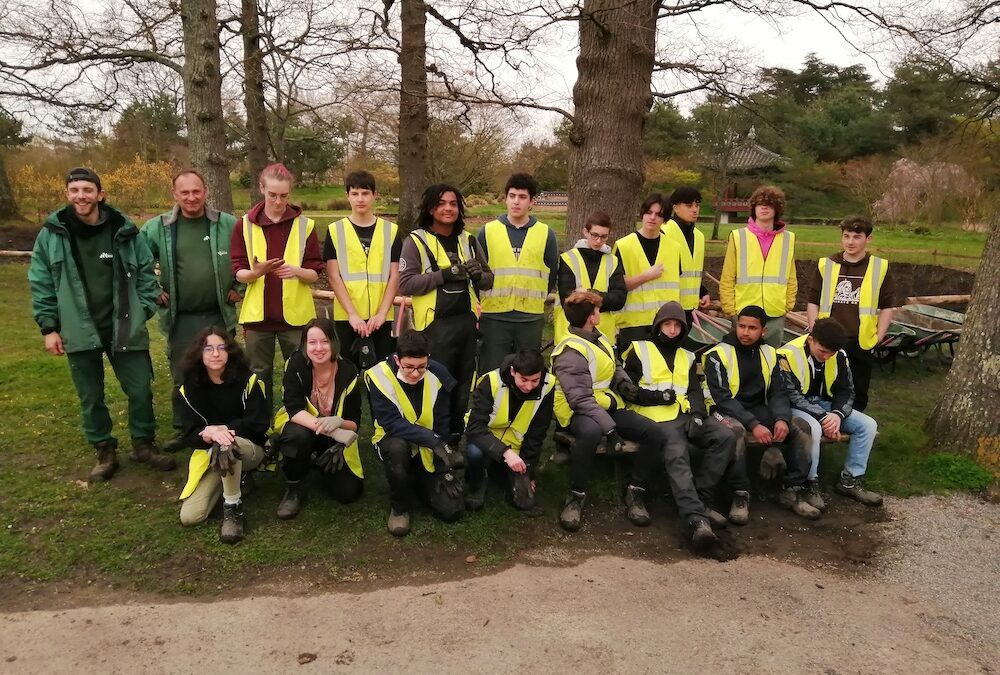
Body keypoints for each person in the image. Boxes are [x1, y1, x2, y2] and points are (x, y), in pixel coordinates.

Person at [28, 167, 176, 482]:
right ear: (68, 194)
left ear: (100, 194)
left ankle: (143, 444)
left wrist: (143, 309)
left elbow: (146, 274)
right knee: (90, 395)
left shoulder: (123, 229)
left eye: (87, 190)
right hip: (77, 327)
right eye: (75, 190)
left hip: (123, 325)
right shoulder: (52, 235)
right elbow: (41, 282)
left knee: (139, 389)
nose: (81, 196)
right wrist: (49, 327)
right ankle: (104, 448)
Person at [550, 291, 670, 537]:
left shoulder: (599, 338)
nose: (600, 314)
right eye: (597, 311)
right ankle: (575, 496)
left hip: (603, 404)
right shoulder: (570, 352)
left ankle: (636, 491)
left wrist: (625, 384)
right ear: (591, 317)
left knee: (653, 433)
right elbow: (580, 399)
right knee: (591, 433)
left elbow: (613, 365)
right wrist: (611, 430)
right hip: (576, 410)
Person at [141, 170, 243, 451]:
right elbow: (136, 260)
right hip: (181, 317)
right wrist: (152, 290)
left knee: (223, 371)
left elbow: (245, 256)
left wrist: (239, 287)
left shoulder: (227, 224)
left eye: (196, 191)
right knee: (183, 373)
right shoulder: (158, 227)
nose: (191, 197)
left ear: (205, 192)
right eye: (184, 192)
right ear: (174, 194)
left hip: (218, 315)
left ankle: (227, 424)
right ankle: (185, 428)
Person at [621, 302, 737, 533]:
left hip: (684, 415)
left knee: (726, 436)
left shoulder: (687, 356)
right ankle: (696, 519)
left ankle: (700, 500)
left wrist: (697, 415)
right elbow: (628, 390)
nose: (672, 330)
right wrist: (659, 397)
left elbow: (694, 390)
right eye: (667, 324)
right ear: (658, 326)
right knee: (678, 453)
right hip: (654, 419)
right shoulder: (639, 349)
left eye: (677, 326)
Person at [702, 305, 819, 520]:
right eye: (742, 326)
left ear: (763, 331)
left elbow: (779, 392)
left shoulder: (770, 354)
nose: (745, 332)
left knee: (802, 427)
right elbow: (723, 399)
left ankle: (792, 490)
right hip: (723, 412)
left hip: (758, 410)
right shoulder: (717, 355)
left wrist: (782, 419)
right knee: (735, 432)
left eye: (752, 328)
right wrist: (754, 425)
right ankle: (740, 493)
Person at [398, 184, 494, 441]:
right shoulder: (416, 241)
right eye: (441, 203)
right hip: (433, 328)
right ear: (430, 208)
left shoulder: (468, 240)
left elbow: (488, 280)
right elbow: (405, 284)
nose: (448, 208)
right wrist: (443, 275)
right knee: (437, 383)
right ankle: (432, 436)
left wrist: (478, 273)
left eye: (453, 204)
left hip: (465, 324)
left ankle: (453, 435)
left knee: (463, 384)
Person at [230, 163, 323, 407]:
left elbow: (315, 273)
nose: (278, 201)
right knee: (258, 375)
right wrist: (255, 273)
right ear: (261, 189)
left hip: (296, 317)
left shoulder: (305, 225)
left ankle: (299, 423)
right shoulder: (244, 225)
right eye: (272, 195)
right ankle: (260, 425)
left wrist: (296, 271)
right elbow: (238, 271)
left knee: (300, 372)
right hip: (257, 317)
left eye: (283, 195)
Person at [366, 329, 463, 537]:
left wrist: (443, 469)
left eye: (422, 367)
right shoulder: (378, 376)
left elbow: (443, 421)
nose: (416, 373)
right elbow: (391, 423)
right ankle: (399, 507)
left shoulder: (438, 374)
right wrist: (434, 441)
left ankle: (421, 480)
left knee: (452, 511)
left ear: (428, 359)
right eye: (409, 367)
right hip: (394, 439)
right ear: (397, 359)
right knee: (397, 448)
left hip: (428, 446)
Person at [176, 327, 269, 543]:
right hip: (211, 455)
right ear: (199, 353)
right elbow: (188, 434)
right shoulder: (189, 387)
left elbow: (258, 424)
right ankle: (236, 478)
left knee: (228, 445)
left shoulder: (248, 380)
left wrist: (224, 432)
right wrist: (207, 434)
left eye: (221, 348)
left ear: (230, 351)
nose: (215, 354)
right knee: (190, 516)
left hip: (249, 449)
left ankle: (233, 508)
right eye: (208, 349)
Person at [778, 319, 883, 507]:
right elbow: (791, 394)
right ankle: (811, 483)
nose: (827, 357)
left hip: (826, 406)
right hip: (796, 407)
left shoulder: (839, 354)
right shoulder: (787, 354)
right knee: (815, 429)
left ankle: (850, 480)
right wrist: (823, 417)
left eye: (831, 353)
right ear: (811, 340)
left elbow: (847, 390)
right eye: (823, 351)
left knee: (868, 425)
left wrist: (837, 414)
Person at [271, 318, 364, 519]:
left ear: (334, 342)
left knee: (348, 494)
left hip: (333, 438)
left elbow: (355, 422)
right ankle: (294, 488)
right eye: (312, 342)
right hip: (302, 426)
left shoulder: (348, 371)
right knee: (298, 436)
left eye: (324, 341)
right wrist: (332, 429)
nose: (319, 348)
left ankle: (316, 462)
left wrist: (339, 422)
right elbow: (294, 409)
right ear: (305, 345)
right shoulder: (295, 364)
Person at [806, 215, 895, 412]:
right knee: (824, 387)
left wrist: (879, 335)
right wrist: (814, 329)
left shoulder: (879, 267)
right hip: (829, 338)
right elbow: (813, 300)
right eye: (846, 236)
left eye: (856, 237)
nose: (850, 242)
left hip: (860, 340)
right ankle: (826, 423)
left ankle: (854, 424)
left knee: (858, 389)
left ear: (868, 239)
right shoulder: (826, 264)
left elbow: (888, 305)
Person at [476, 173, 559, 372]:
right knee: (492, 372)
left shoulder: (546, 234)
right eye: (512, 196)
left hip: (529, 318)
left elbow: (551, 275)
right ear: (505, 198)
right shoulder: (487, 232)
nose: (516, 201)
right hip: (494, 317)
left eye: (522, 197)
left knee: (528, 372)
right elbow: (478, 275)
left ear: (532, 201)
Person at [322, 170, 401, 371]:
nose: (360, 199)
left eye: (365, 193)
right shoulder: (335, 230)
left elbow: (395, 275)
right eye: (355, 193)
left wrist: (382, 313)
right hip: (347, 316)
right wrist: (352, 314)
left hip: (381, 317)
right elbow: (333, 275)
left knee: (383, 371)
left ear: (375, 195)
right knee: (347, 370)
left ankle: (380, 402)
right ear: (347, 195)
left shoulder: (391, 231)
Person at [464, 349, 555, 512]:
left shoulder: (549, 385)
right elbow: (474, 428)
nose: (529, 386)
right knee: (474, 452)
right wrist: (505, 452)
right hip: (486, 439)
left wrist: (528, 470)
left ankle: (499, 471)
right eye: (524, 380)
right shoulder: (490, 381)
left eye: (535, 380)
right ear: (513, 371)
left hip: (517, 446)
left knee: (525, 503)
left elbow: (538, 432)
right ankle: (477, 483)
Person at [719, 185, 796, 347]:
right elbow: (727, 276)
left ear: (777, 209)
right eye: (760, 204)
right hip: (744, 313)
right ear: (753, 208)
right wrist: (730, 310)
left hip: (774, 314)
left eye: (769, 204)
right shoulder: (738, 236)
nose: (764, 207)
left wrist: (787, 306)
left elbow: (791, 277)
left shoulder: (788, 239)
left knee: (770, 362)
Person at [613, 193, 681, 353]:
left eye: (658, 214)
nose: (652, 218)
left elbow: (678, 286)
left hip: (665, 324)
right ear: (642, 214)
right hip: (633, 324)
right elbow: (618, 286)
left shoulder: (674, 248)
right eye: (649, 212)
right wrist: (646, 276)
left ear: (664, 220)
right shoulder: (623, 245)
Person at [554, 210, 626, 343]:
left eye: (604, 237)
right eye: (595, 235)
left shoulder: (613, 261)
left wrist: (586, 295)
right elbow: (568, 297)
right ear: (585, 232)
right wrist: (600, 298)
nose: (599, 241)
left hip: (603, 335)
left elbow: (619, 299)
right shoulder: (568, 258)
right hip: (571, 332)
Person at [661, 187, 711, 318]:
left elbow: (692, 270)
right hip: (667, 309)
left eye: (697, 205)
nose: (695, 209)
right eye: (689, 205)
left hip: (691, 309)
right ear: (676, 208)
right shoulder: (664, 232)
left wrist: (702, 292)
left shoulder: (699, 236)